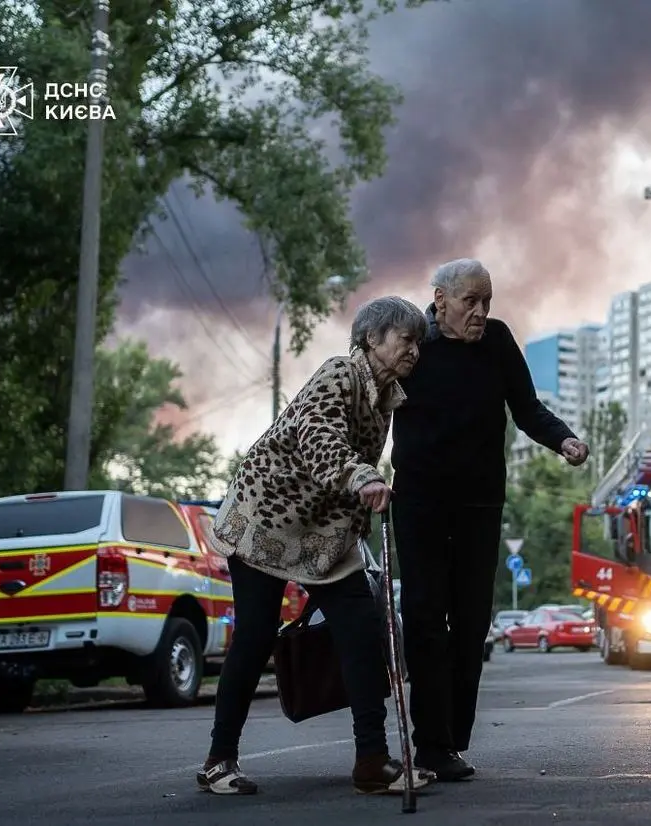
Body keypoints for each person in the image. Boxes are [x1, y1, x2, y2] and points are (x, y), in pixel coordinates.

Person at [197, 296, 435, 797]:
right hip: (267, 521)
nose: (415, 349)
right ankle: (220, 761)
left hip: (324, 534)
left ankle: (371, 760)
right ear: (372, 339)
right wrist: (363, 476)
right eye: (405, 339)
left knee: (362, 631)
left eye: (419, 342)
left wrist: (360, 506)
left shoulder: (385, 396)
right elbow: (321, 439)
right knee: (256, 636)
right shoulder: (339, 374)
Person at [390, 258, 590, 781]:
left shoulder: (497, 342)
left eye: (487, 302)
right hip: (420, 504)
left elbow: (526, 407)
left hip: (480, 505)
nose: (480, 313)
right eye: (469, 302)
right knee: (426, 621)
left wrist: (563, 439)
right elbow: (373, 403)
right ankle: (429, 743)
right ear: (440, 300)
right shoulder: (414, 344)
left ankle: (452, 740)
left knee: (472, 622)